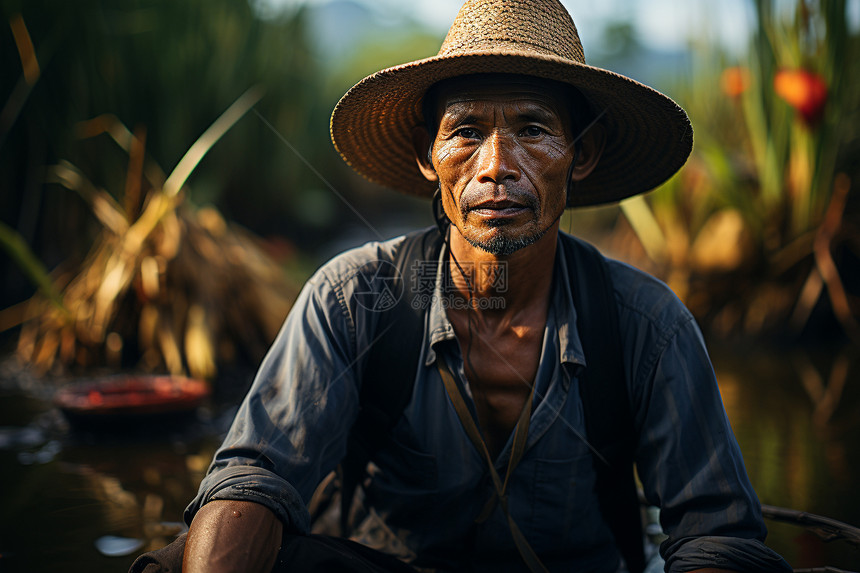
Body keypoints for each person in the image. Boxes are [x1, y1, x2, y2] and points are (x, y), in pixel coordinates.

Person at [134, 1, 794, 572]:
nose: (497, 167)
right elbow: (256, 477)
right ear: (430, 157)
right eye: (467, 132)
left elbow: (717, 535)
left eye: (533, 129)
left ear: (581, 156)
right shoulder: (355, 299)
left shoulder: (646, 324)